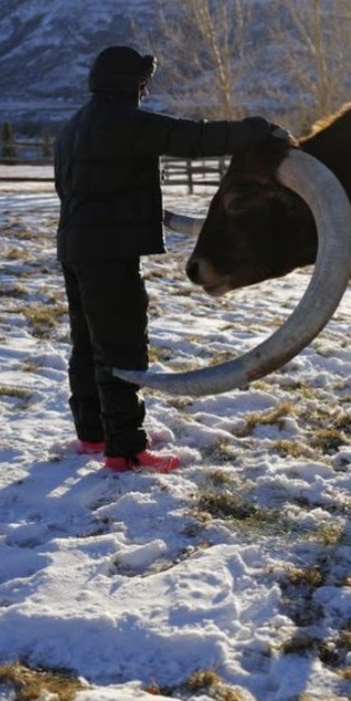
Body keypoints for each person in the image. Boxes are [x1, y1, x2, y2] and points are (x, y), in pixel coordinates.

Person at [54, 44, 283, 473]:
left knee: (87, 344)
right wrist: (257, 129)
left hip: (75, 248)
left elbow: (65, 189)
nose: (145, 92)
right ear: (133, 85)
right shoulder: (125, 121)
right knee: (121, 346)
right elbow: (195, 137)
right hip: (110, 253)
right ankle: (125, 449)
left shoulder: (74, 126)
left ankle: (93, 432)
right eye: (143, 84)